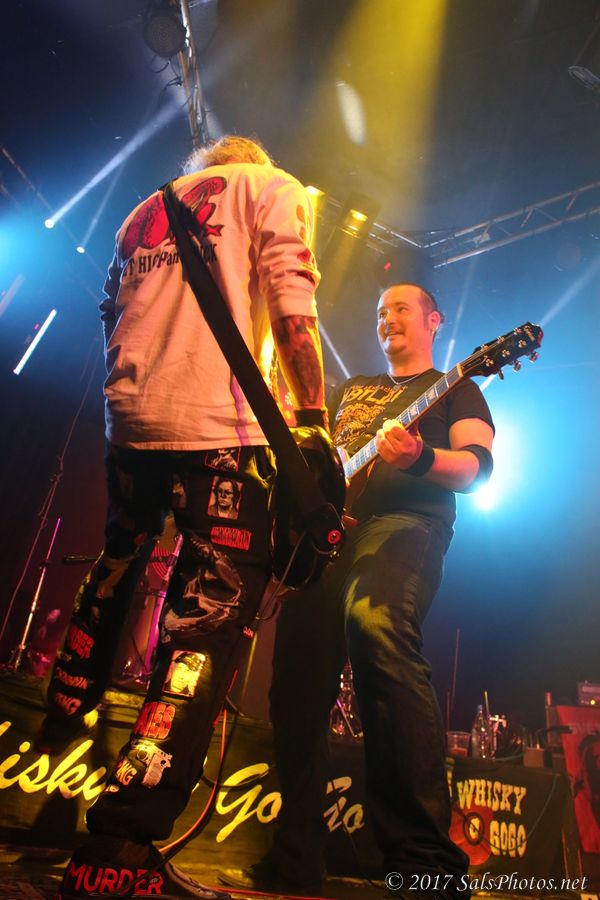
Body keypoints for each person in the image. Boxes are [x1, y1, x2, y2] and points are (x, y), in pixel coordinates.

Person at [36, 134, 328, 900]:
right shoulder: (270, 187)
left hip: (129, 421)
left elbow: (109, 311)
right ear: (252, 164)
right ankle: (120, 842)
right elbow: (292, 307)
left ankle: (62, 721)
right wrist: (313, 423)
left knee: (116, 567)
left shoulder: (142, 210)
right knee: (206, 623)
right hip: (214, 428)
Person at [223, 283, 494, 899]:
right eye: (379, 312)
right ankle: (295, 860)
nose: (386, 318)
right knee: (295, 687)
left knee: (376, 626)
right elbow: (322, 470)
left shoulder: (458, 386)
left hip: (405, 524)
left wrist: (419, 457)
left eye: (400, 308)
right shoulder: (350, 390)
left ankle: (425, 862)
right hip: (328, 539)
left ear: (433, 320)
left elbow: (478, 469)